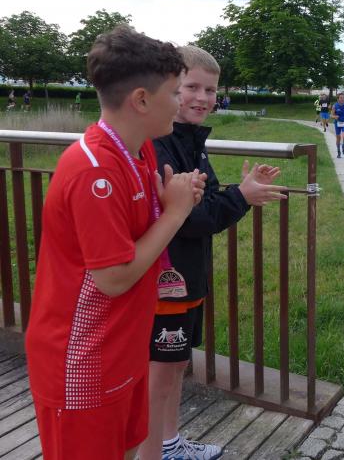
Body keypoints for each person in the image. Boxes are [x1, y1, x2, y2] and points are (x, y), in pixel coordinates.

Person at [24, 25, 204, 460]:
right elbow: (113, 277)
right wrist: (176, 213)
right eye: (174, 92)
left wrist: (171, 202)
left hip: (122, 345)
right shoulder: (95, 171)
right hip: (81, 359)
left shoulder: (138, 150)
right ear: (141, 100)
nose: (180, 102)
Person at [138, 46, 287, 460]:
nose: (202, 98)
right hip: (167, 279)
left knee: (175, 367)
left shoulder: (190, 140)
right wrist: (242, 196)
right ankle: (154, 453)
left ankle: (169, 445)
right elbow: (190, 217)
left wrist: (241, 191)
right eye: (191, 87)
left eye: (210, 90)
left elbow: (204, 201)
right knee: (159, 375)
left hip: (189, 274)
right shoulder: (161, 144)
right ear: (170, 86)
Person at [333, 92, 344, 158]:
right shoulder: (335, 105)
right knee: (338, 138)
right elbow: (331, 115)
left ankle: (343, 145)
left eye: (343, 97)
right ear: (338, 99)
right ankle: (338, 151)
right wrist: (335, 116)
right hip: (337, 123)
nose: (342, 99)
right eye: (341, 97)